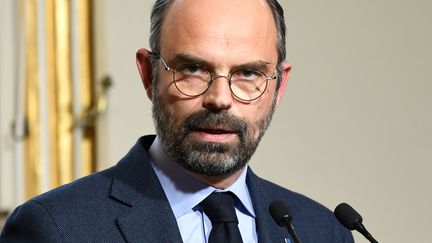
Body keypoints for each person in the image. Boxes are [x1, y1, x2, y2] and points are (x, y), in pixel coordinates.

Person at [0, 0, 353, 242]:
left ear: (279, 85)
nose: (220, 98)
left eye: (248, 73)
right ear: (148, 74)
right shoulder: (56, 229)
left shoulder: (322, 230)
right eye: (193, 69)